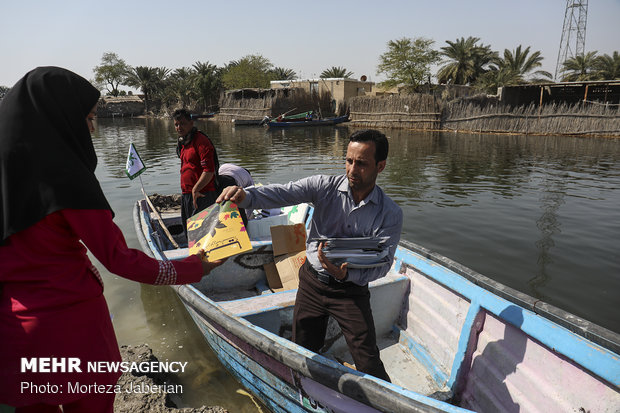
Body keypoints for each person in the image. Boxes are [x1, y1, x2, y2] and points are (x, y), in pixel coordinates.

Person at [0, 67, 224, 413]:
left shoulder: (6, 175)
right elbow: (117, 258)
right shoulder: (65, 177)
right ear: (61, 118)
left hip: (17, 331)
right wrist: (195, 267)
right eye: (88, 118)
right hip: (74, 328)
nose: (92, 128)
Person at [217, 129, 403, 382]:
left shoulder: (390, 213)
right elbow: (282, 192)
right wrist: (247, 196)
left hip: (350, 290)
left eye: (361, 163)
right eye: (348, 161)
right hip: (312, 283)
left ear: (380, 166)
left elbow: (382, 263)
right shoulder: (323, 187)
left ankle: (384, 404)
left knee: (368, 358)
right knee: (303, 348)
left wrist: (348, 272)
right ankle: (304, 392)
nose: (351, 170)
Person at [173, 109, 219, 236]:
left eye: (182, 123)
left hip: (202, 194)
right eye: (176, 124)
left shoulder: (201, 141)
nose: (179, 127)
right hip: (188, 195)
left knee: (202, 234)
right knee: (190, 233)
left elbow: (209, 171)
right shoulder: (184, 142)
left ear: (191, 123)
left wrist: (195, 189)